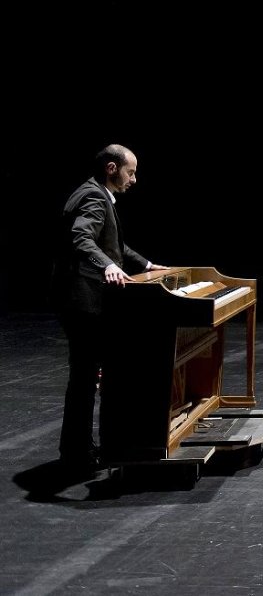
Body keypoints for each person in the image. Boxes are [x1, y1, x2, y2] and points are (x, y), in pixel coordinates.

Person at [51, 144, 168, 476]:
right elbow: (81, 238)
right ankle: (77, 453)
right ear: (112, 168)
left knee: (87, 377)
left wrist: (146, 264)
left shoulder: (96, 194)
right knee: (85, 377)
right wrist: (107, 267)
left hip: (83, 300)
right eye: (131, 172)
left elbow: (113, 245)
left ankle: (79, 449)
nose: (134, 179)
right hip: (83, 301)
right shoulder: (93, 197)